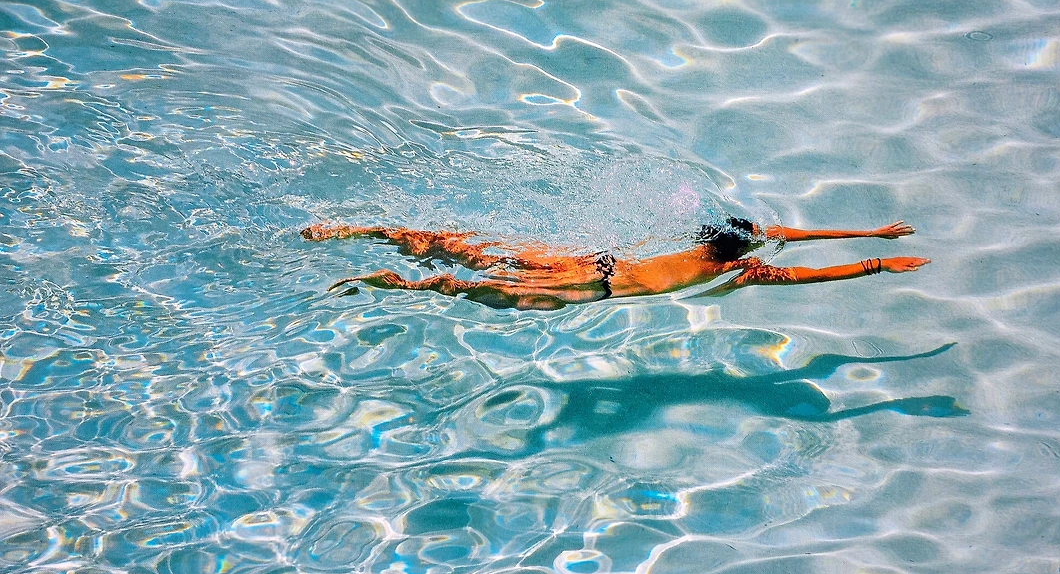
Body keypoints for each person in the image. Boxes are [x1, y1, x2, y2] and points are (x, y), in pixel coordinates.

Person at [301, 217, 928, 310]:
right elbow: (812, 271)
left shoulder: (709, 244)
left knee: (470, 250)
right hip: (596, 287)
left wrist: (872, 232)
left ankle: (366, 230)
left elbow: (787, 234)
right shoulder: (737, 271)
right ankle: (399, 285)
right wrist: (876, 261)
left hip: (591, 260)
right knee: (484, 291)